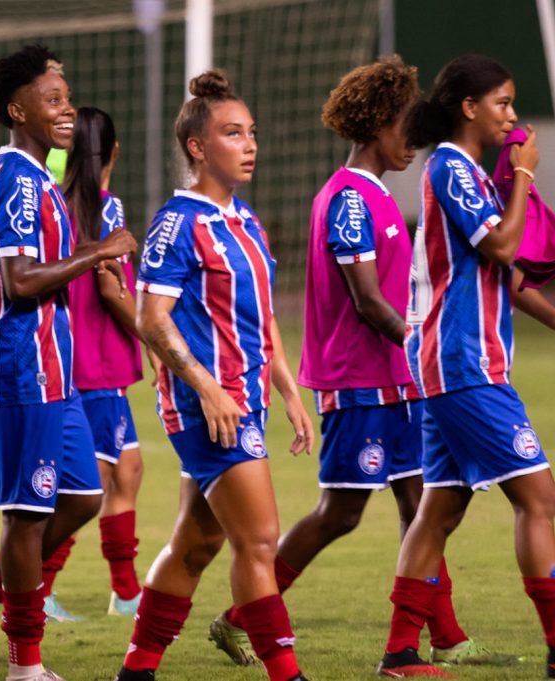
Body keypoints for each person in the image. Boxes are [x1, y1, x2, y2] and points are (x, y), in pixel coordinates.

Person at [207, 55, 516, 671]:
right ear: (377, 125)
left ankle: (446, 638)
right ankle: (239, 619)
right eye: (407, 126)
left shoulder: (371, 194)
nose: (415, 140)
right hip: (361, 382)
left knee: (422, 506)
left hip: (394, 379)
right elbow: (369, 300)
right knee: (342, 512)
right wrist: (421, 347)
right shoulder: (349, 199)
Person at [376, 54, 555, 679]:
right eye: (503, 102)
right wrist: (522, 176)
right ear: (469, 108)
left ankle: (399, 654)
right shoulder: (453, 168)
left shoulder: (464, 172)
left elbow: (504, 272)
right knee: (539, 497)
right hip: (466, 365)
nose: (513, 115)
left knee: (439, 509)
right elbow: (502, 244)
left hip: (452, 363)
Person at [0, 45, 136, 681]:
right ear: (17, 109)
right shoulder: (16, 178)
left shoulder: (38, 175)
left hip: (53, 368)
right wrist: (99, 250)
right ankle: (26, 667)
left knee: (82, 498)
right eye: (52, 99)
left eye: (67, 95)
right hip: (14, 364)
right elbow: (20, 281)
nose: (66, 106)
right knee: (29, 517)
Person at [114, 69, 314, 681]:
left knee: (196, 545)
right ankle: (288, 674)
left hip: (244, 400)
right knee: (259, 543)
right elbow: (152, 319)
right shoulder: (179, 223)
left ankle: (136, 669)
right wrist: (207, 388)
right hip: (210, 408)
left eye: (251, 132)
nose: (249, 144)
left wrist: (287, 389)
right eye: (233, 133)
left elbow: (261, 319)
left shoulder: (244, 220)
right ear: (197, 147)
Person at [36, 106, 149, 621]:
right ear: (115, 151)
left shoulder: (53, 204)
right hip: (97, 366)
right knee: (88, 486)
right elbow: (109, 287)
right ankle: (42, 587)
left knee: (126, 472)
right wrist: (154, 335)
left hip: (74, 359)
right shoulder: (107, 208)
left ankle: (125, 592)